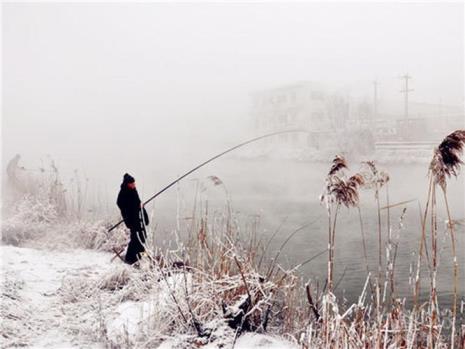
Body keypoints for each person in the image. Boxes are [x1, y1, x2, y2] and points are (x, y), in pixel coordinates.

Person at [116, 173, 149, 264]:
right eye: (132, 183)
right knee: (135, 238)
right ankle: (130, 259)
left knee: (142, 236)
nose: (134, 185)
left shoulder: (133, 190)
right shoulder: (123, 192)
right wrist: (132, 209)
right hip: (132, 219)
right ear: (127, 184)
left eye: (134, 183)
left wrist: (141, 208)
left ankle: (141, 256)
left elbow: (138, 203)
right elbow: (120, 203)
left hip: (138, 217)